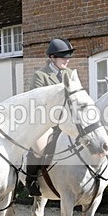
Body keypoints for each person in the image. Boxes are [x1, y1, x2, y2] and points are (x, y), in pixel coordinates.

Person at [25, 38, 75, 196]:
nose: (67, 60)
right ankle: (31, 179)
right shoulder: (40, 75)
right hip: (46, 123)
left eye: (68, 57)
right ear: (52, 57)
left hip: (67, 122)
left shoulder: (70, 74)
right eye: (63, 57)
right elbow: (38, 101)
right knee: (40, 150)